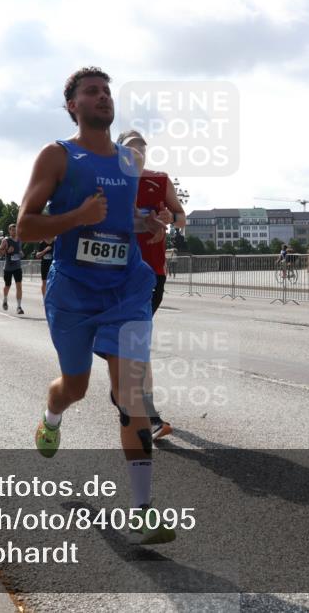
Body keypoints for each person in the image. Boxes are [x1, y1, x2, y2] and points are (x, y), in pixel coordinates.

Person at [17, 66, 173, 544]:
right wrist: (79, 217)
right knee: (75, 388)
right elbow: (24, 226)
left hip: (126, 289)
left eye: (107, 91)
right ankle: (52, 413)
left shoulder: (128, 161)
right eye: (92, 91)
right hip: (73, 293)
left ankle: (144, 510)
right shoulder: (57, 155)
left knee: (131, 393)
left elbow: (123, 217)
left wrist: (147, 222)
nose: (103, 97)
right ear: (72, 105)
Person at [117, 129, 188, 441]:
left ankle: (140, 406)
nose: (138, 155)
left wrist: (167, 215)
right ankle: (148, 413)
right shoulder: (110, 182)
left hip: (152, 272)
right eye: (132, 150)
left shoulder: (159, 180)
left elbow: (181, 216)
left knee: (135, 342)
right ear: (118, 151)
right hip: (116, 273)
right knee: (133, 343)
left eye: (142, 150)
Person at [0, 224, 24, 314]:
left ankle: (19, 307)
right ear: (9, 231)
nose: (14, 231)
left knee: (19, 286)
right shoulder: (6, 241)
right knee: (7, 286)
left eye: (15, 230)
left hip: (17, 267)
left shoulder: (19, 240)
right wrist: (6, 251)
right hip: (8, 268)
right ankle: (5, 299)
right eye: (12, 230)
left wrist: (21, 253)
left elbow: (20, 251)